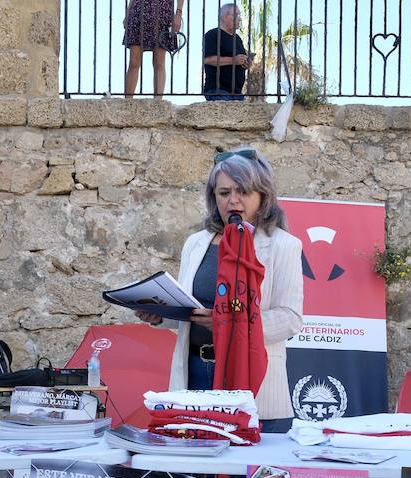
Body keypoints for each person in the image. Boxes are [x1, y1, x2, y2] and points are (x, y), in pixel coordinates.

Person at [136, 149, 303, 432]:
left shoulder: (282, 245)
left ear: (263, 196)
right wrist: (161, 314)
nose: (233, 201)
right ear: (213, 198)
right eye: (224, 193)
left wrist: (226, 323)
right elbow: (193, 310)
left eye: (243, 191)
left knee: (244, 472)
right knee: (201, 471)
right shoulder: (195, 243)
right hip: (195, 372)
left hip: (251, 377)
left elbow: (290, 318)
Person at [123, 0, 182, 99]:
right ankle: (127, 101)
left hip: (162, 12)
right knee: (134, 62)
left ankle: (157, 101)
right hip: (138, 11)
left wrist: (178, 13)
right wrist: (128, 13)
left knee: (159, 63)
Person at [203, 4, 251, 101]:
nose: (239, 19)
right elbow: (208, 60)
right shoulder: (212, 35)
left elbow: (240, 60)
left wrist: (246, 62)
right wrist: (234, 60)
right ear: (224, 17)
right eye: (236, 15)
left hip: (237, 93)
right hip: (218, 91)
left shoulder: (237, 39)